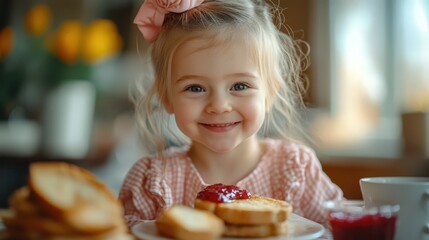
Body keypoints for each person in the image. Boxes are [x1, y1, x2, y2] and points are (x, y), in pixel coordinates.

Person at [119, 0, 343, 228]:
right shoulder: (151, 181)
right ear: (166, 98)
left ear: (270, 93)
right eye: (195, 88)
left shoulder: (296, 170)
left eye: (239, 86)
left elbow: (338, 231)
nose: (219, 106)